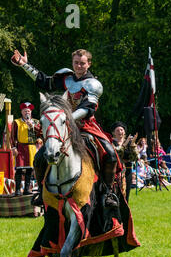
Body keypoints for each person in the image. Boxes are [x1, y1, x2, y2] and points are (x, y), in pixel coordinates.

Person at [11, 49, 120, 207]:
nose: (79, 66)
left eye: (82, 63)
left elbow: (89, 107)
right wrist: (24, 65)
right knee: (40, 156)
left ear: (89, 64)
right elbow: (45, 82)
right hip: (63, 126)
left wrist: (67, 119)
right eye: (76, 63)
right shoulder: (67, 79)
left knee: (109, 153)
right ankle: (42, 191)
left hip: (85, 125)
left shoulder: (93, 84)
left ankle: (108, 193)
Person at [10, 102, 41, 196]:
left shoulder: (36, 122)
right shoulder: (17, 122)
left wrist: (33, 127)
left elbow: (41, 133)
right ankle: (17, 190)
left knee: (29, 170)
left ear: (31, 112)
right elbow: (12, 136)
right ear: (21, 112)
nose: (26, 112)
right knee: (19, 169)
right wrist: (13, 147)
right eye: (25, 111)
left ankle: (27, 189)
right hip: (20, 147)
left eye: (28, 111)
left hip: (31, 147)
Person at [111, 121, 139, 203]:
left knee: (126, 194)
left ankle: (125, 212)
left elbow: (135, 158)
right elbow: (116, 154)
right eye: (118, 130)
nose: (120, 132)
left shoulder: (130, 142)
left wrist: (133, 144)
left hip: (128, 170)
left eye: (121, 130)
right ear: (113, 132)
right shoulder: (112, 142)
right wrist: (124, 144)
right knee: (116, 192)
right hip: (116, 171)